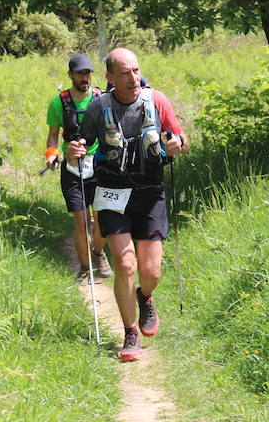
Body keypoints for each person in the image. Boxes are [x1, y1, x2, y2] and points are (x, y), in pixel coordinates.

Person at [66, 48, 189, 361]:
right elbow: (81, 145)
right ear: (110, 78)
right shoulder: (99, 107)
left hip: (150, 193)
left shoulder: (156, 101)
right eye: (125, 73)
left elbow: (182, 141)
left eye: (136, 70)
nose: (133, 78)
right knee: (125, 264)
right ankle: (130, 333)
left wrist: (176, 145)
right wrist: (73, 153)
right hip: (112, 193)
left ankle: (144, 296)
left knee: (151, 272)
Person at [45, 54, 112, 284]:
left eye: (88, 73)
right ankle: (85, 269)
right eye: (81, 73)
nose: (85, 78)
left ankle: (99, 253)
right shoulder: (58, 103)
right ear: (70, 75)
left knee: (101, 218)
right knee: (82, 221)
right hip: (72, 168)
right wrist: (51, 155)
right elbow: (53, 136)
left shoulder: (101, 98)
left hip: (100, 164)